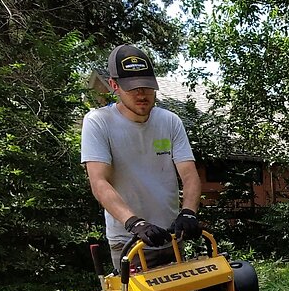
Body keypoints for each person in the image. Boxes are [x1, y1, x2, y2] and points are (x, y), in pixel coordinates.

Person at [80, 44, 202, 265]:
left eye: (146, 86)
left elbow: (190, 175)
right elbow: (99, 182)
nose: (141, 94)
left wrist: (189, 212)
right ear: (114, 85)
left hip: (172, 237)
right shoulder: (99, 122)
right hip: (130, 242)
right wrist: (133, 222)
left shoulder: (170, 121)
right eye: (132, 88)